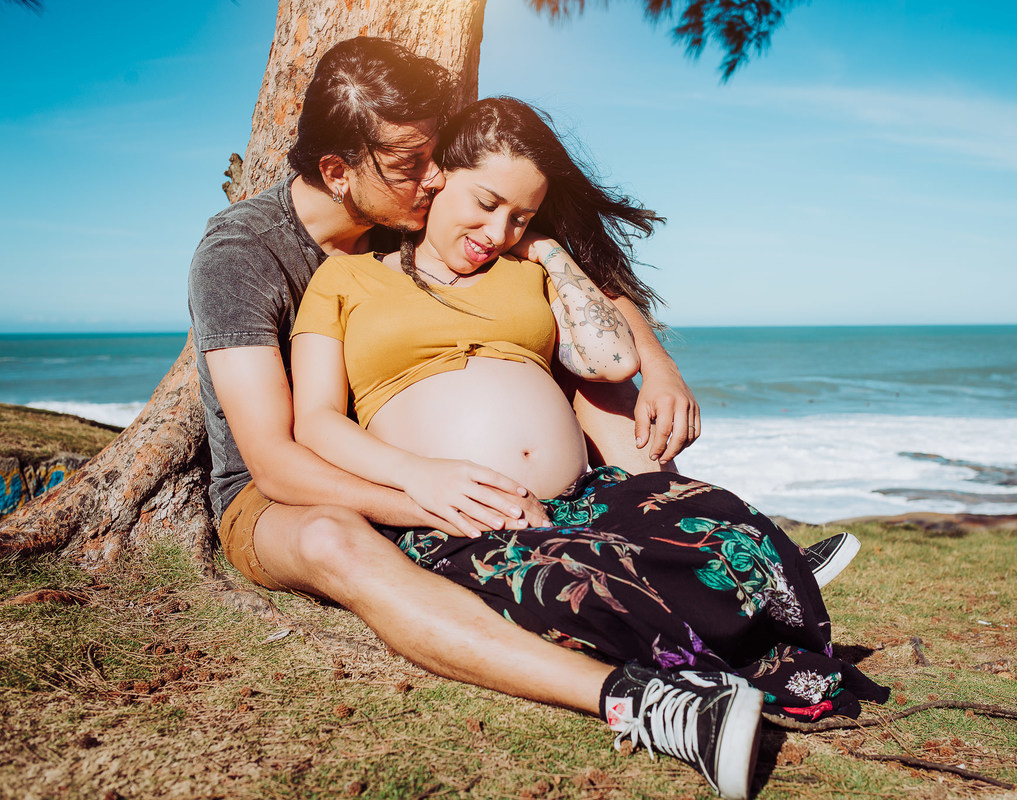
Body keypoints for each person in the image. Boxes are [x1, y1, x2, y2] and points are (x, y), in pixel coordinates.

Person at [189, 37, 763, 800]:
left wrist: (657, 363)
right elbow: (273, 457)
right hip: (285, 492)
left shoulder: (415, 215)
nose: (433, 179)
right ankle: (638, 703)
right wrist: (436, 501)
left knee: (580, 383)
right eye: (408, 164)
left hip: (419, 465)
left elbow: (574, 262)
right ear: (338, 172)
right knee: (335, 538)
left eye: (435, 156)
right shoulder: (242, 253)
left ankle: (701, 537)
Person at [288, 94, 889, 780]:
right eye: (486, 202)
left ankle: (748, 593)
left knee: (730, 528)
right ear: (438, 177)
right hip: (459, 513)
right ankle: (687, 685)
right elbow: (316, 422)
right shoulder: (345, 279)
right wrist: (418, 476)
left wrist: (548, 250)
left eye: (520, 214)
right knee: (579, 591)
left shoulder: (526, 269)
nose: (498, 227)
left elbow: (610, 363)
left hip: (584, 496)